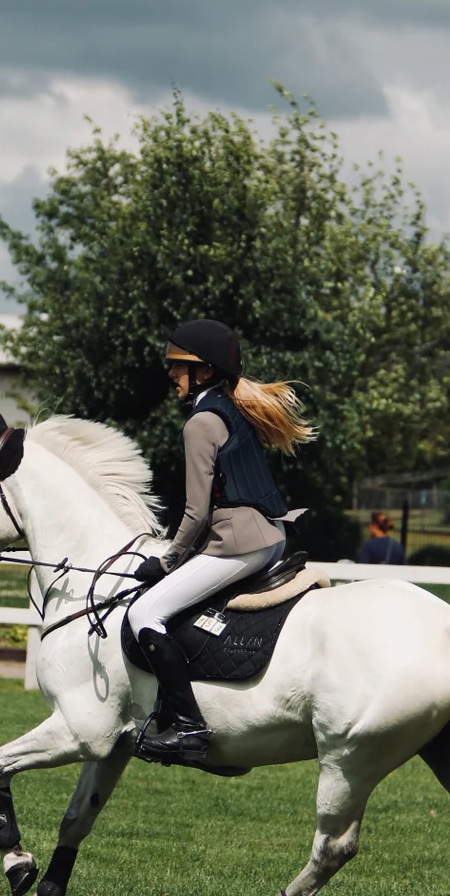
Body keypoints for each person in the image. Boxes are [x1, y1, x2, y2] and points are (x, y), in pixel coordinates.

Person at [129, 319, 315, 765]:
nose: (170, 374)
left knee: (144, 612)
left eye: (178, 367)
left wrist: (167, 562)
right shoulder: (233, 410)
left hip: (238, 543)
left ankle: (190, 727)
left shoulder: (201, 422)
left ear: (205, 372)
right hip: (270, 536)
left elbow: (196, 513)